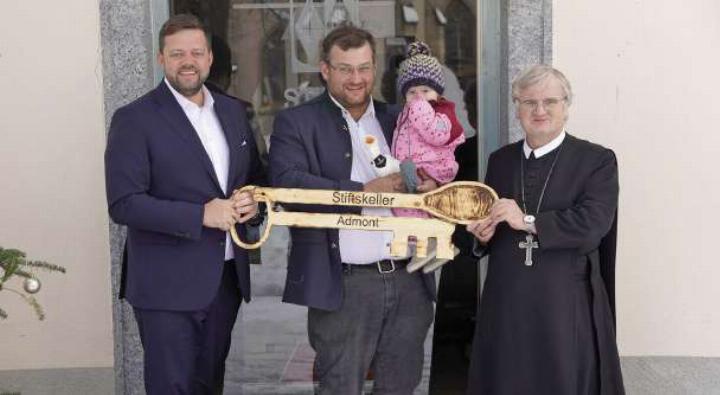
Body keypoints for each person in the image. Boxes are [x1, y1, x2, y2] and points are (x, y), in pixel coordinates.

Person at [269, 24, 437, 395]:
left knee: (400, 387)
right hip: (344, 284)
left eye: (363, 67)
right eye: (345, 68)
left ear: (375, 67)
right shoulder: (296, 122)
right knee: (339, 387)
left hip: (410, 279)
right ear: (325, 69)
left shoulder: (401, 117)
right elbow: (287, 185)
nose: (356, 78)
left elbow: (437, 165)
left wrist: (432, 184)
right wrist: (363, 192)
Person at [104, 14, 265, 394]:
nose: (187, 61)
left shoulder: (233, 112)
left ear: (210, 58)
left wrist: (254, 204)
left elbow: (257, 180)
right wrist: (200, 215)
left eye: (196, 52)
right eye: (177, 54)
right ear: (161, 59)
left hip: (224, 279)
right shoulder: (134, 119)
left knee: (209, 385)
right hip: (165, 286)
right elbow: (124, 203)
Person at [465, 64, 625, 394]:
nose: (540, 110)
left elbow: (592, 225)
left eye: (550, 102)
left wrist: (526, 220)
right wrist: (482, 236)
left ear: (566, 106)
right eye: (529, 102)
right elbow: (491, 229)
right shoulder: (501, 161)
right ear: (517, 107)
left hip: (563, 307)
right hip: (506, 306)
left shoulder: (596, 160)